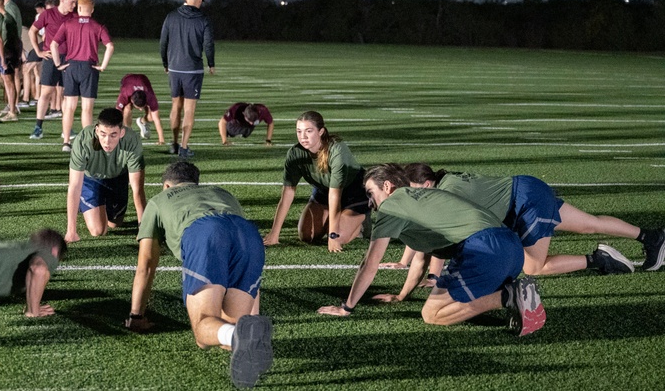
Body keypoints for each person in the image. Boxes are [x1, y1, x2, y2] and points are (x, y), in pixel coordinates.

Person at [317, 164, 547, 337]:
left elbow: (370, 263)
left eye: (370, 193)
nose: (369, 202)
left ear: (387, 187)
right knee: (452, 297)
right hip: (510, 248)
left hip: (486, 249)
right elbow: (422, 258)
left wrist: (346, 308)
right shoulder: (421, 202)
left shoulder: (391, 205)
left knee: (432, 314)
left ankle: (509, 295)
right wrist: (401, 296)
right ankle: (509, 293)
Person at [126, 161, 273, 389]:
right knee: (224, 334)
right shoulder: (222, 193)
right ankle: (243, 335)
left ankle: (239, 335)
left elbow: (146, 264)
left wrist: (136, 316)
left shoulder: (158, 201)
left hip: (205, 232)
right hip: (248, 234)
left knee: (203, 331)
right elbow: (238, 246)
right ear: (196, 183)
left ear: (167, 185)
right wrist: (252, 318)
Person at [403, 163, 665, 274]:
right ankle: (652, 237)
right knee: (590, 223)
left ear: (427, 184)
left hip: (526, 203)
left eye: (411, 190)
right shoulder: (447, 181)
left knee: (533, 268)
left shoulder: (447, 193)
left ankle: (599, 260)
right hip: (528, 189)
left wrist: (436, 276)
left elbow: (444, 235)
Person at [263, 111, 369, 251]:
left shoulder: (337, 150)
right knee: (307, 236)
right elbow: (288, 192)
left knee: (340, 236)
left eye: (309, 131)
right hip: (324, 192)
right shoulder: (295, 153)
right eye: (299, 131)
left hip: (354, 193)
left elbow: (335, 194)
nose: (303, 136)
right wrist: (274, 234)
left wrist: (332, 235)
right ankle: (340, 219)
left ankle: (362, 224)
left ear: (320, 131)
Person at [66, 108, 146, 242]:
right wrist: (71, 231)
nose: (107, 141)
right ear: (97, 130)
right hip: (92, 179)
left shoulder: (132, 140)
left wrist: (143, 229)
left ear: (122, 133)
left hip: (118, 178)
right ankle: (91, 204)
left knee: (115, 224)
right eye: (103, 134)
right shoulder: (83, 140)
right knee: (98, 230)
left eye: (113, 135)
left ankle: (105, 209)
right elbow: (74, 186)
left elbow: (137, 189)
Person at [51, 0, 114, 151]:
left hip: (71, 67)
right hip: (89, 68)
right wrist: (103, 65)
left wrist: (58, 63)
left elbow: (53, 44)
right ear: (92, 10)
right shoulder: (98, 26)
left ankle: (66, 142)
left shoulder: (68, 23)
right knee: (87, 108)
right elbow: (110, 46)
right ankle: (87, 141)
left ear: (79, 8)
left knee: (69, 107)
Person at [160, 0, 215, 158]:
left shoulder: (171, 16)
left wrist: (165, 63)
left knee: (176, 106)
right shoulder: (203, 19)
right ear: (199, 0)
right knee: (189, 110)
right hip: (193, 70)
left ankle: (174, 143)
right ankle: (184, 147)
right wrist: (211, 63)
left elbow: (163, 42)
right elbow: (208, 44)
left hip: (174, 68)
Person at [27, 0, 77, 140]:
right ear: (63, 0)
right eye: (72, 2)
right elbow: (32, 31)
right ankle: (38, 127)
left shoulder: (74, 16)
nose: (74, 5)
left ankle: (67, 129)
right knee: (46, 93)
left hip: (68, 60)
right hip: (50, 58)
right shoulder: (48, 14)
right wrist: (39, 51)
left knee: (65, 94)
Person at [115, 73, 165, 144]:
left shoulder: (150, 96)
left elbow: (157, 119)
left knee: (151, 117)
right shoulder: (125, 94)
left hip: (143, 79)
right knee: (127, 108)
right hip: (127, 79)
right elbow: (116, 114)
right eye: (138, 107)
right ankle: (128, 132)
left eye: (142, 107)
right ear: (132, 101)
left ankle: (142, 121)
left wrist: (161, 139)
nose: (141, 110)